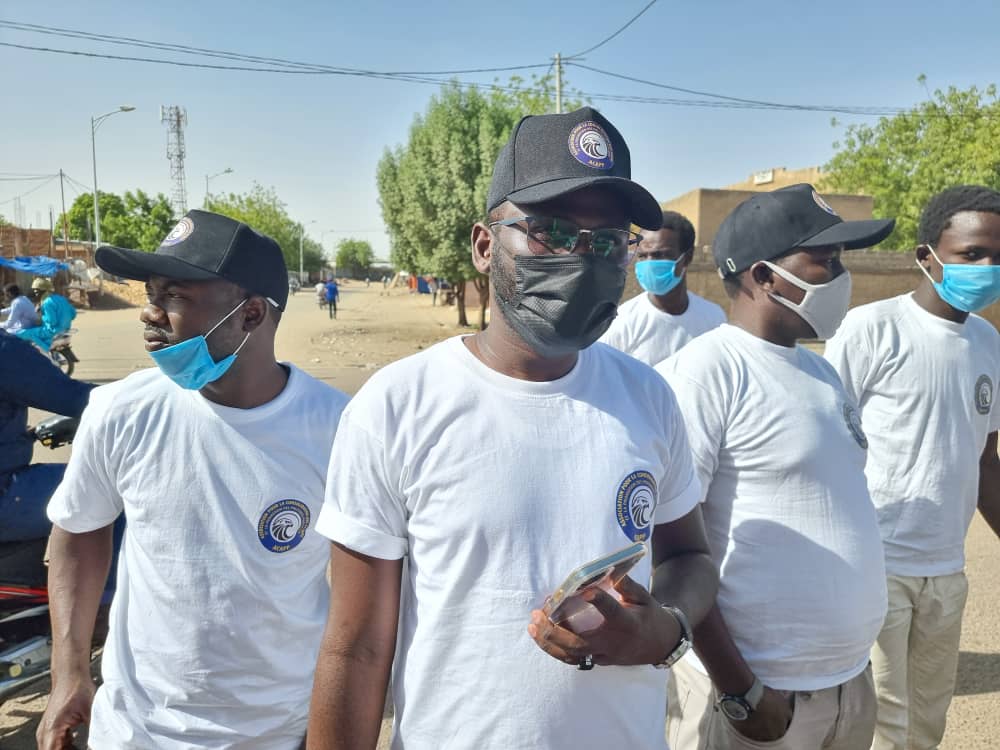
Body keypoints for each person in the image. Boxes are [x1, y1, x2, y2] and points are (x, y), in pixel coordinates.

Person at [306, 107, 719, 750]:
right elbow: (355, 648)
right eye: (551, 232)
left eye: (607, 241)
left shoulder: (647, 397)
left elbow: (689, 557)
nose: (581, 257)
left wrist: (666, 627)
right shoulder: (397, 406)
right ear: (484, 245)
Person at [37, 209, 350, 750]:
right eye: (150, 293)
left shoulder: (341, 430)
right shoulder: (120, 411)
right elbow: (79, 530)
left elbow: (361, 605)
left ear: (251, 313)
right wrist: (68, 672)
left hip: (276, 733)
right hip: (135, 732)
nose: (149, 312)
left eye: (174, 296)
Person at [658, 184, 895, 750]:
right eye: (826, 261)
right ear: (765, 275)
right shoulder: (705, 373)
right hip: (756, 697)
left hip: (846, 685)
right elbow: (670, 548)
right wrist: (740, 690)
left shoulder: (820, 372)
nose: (841, 277)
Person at [823, 185, 1000, 750]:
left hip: (947, 568)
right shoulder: (871, 329)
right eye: (972, 254)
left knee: (928, 721)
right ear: (928, 256)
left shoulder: (988, 342)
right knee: (881, 723)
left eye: (997, 256)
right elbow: (827, 447)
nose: (987, 268)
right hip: (878, 562)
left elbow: (986, 461)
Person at [0, 329, 92, 543]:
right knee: (113, 488)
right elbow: (78, 398)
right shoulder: (6, 350)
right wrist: (147, 397)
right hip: (6, 493)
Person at [599, 210, 725, 365]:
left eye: (660, 255)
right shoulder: (622, 321)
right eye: (642, 256)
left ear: (687, 257)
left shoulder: (713, 318)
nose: (649, 263)